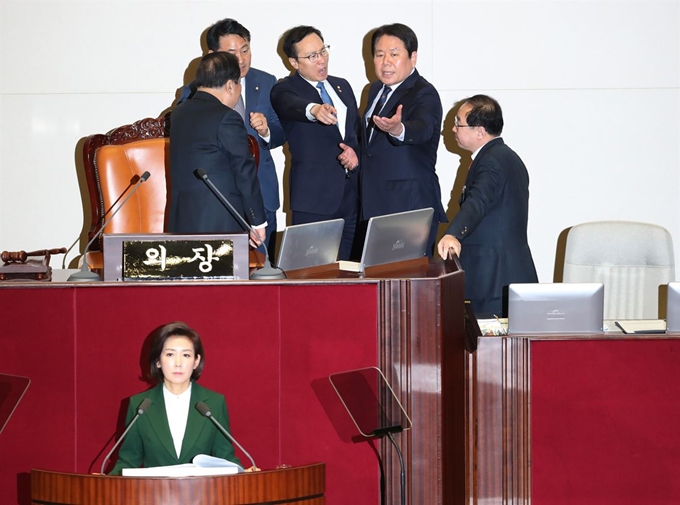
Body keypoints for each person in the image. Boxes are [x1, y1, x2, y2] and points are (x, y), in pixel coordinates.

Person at [178, 19, 285, 259]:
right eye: (232, 52)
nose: (241, 59)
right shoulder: (197, 89)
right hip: (218, 197)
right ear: (212, 54)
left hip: (261, 191)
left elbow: (282, 132)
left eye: (245, 50)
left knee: (263, 266)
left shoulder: (266, 82)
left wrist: (267, 131)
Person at [438, 95, 538, 317]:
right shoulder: (508, 157)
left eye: (458, 123)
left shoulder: (491, 162)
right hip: (508, 275)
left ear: (480, 131)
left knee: (488, 350)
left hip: (493, 280)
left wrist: (453, 234)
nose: (453, 129)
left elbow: (477, 202)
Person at [270, 26, 360, 260]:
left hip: (351, 198)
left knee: (348, 271)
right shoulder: (284, 89)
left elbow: (354, 133)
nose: (321, 60)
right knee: (311, 273)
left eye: (323, 51)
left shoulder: (342, 86)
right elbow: (291, 104)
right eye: (312, 56)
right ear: (294, 62)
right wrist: (315, 110)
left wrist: (355, 154)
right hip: (313, 201)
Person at [359, 23, 446, 255]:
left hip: (408, 207)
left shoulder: (424, 92)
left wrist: (399, 129)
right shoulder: (375, 89)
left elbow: (423, 129)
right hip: (374, 204)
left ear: (413, 57)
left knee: (408, 283)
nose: (385, 61)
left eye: (394, 54)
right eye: (379, 54)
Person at [109, 322, 240, 474]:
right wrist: (106, 483)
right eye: (170, 354)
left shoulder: (214, 404)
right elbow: (128, 460)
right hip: (154, 496)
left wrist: (245, 475)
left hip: (203, 495)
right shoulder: (140, 405)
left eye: (186, 355)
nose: (178, 363)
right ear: (158, 361)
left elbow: (225, 458)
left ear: (196, 361)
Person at [169, 51, 266, 247]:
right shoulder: (226, 117)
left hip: (182, 221)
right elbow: (244, 170)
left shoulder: (178, 113)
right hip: (220, 224)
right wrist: (258, 221)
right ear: (230, 85)